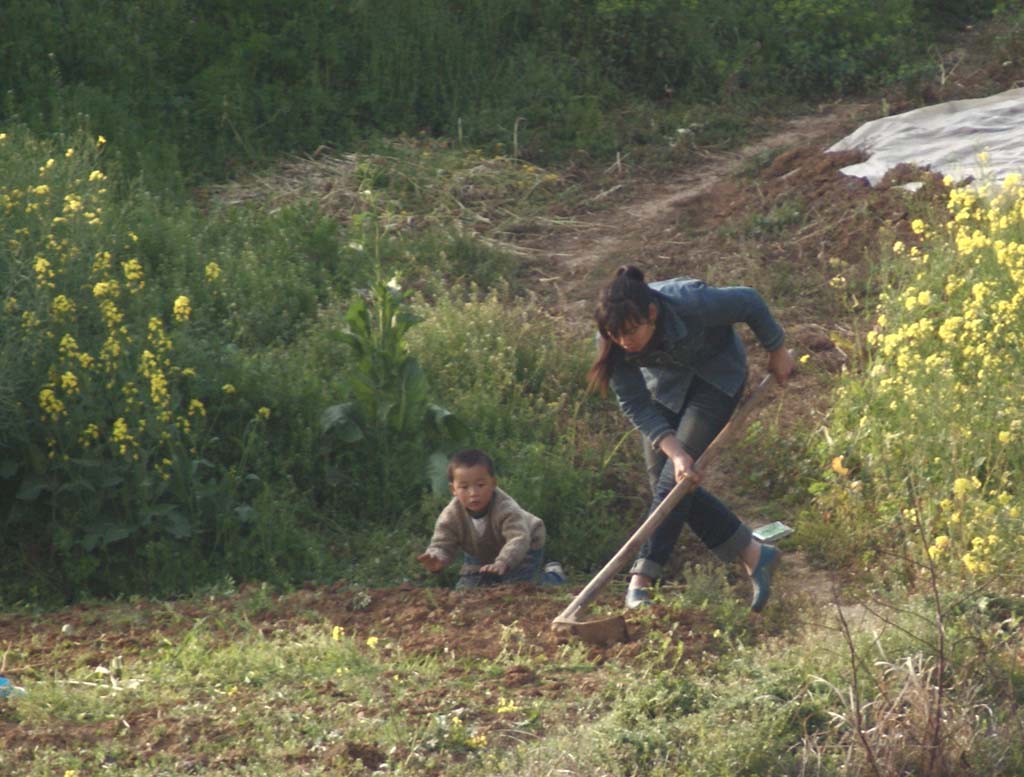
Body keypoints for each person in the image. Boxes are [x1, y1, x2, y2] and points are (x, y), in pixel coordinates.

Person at [587, 265, 795, 611]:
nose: (624, 341)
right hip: (667, 388)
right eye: (615, 334)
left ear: (652, 314)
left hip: (717, 378)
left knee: (673, 482)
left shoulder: (690, 302)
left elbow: (750, 302)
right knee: (668, 477)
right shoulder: (612, 339)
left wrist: (776, 349)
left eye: (630, 332)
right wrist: (676, 452)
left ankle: (642, 580)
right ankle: (755, 553)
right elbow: (635, 403)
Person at [417, 449, 564, 588]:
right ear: (453, 490)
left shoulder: (505, 508)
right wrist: (437, 558)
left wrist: (502, 562)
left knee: (518, 586)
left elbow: (518, 538)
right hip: (480, 549)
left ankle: (553, 576)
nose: (473, 493)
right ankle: (494, 573)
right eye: (464, 487)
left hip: (525, 545)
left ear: (493, 483)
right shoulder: (451, 515)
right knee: (466, 590)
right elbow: (442, 542)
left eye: (480, 485)